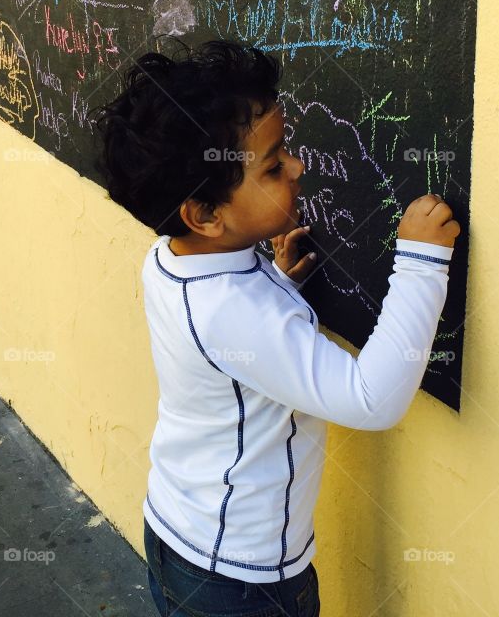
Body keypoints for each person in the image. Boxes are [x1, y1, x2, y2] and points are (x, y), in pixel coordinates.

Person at [91, 38, 460, 616]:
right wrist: (420, 264)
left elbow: (226, 346)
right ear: (205, 214)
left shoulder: (168, 259)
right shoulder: (239, 312)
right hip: (241, 582)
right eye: (273, 163)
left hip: (176, 532)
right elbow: (372, 401)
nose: (297, 165)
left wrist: (278, 287)